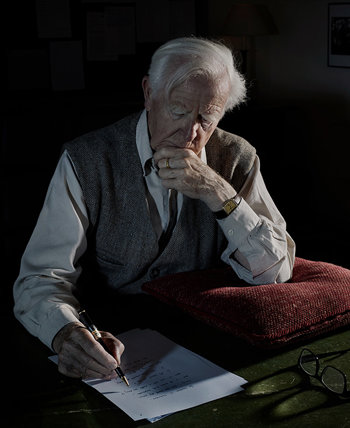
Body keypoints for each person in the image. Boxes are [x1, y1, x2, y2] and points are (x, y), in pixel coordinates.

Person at [13, 37, 295, 381]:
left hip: (206, 341)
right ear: (148, 93)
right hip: (116, 340)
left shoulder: (237, 157)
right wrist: (64, 333)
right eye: (178, 111)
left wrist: (220, 194)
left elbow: (274, 273)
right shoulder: (85, 160)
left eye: (207, 118)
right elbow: (40, 277)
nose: (190, 132)